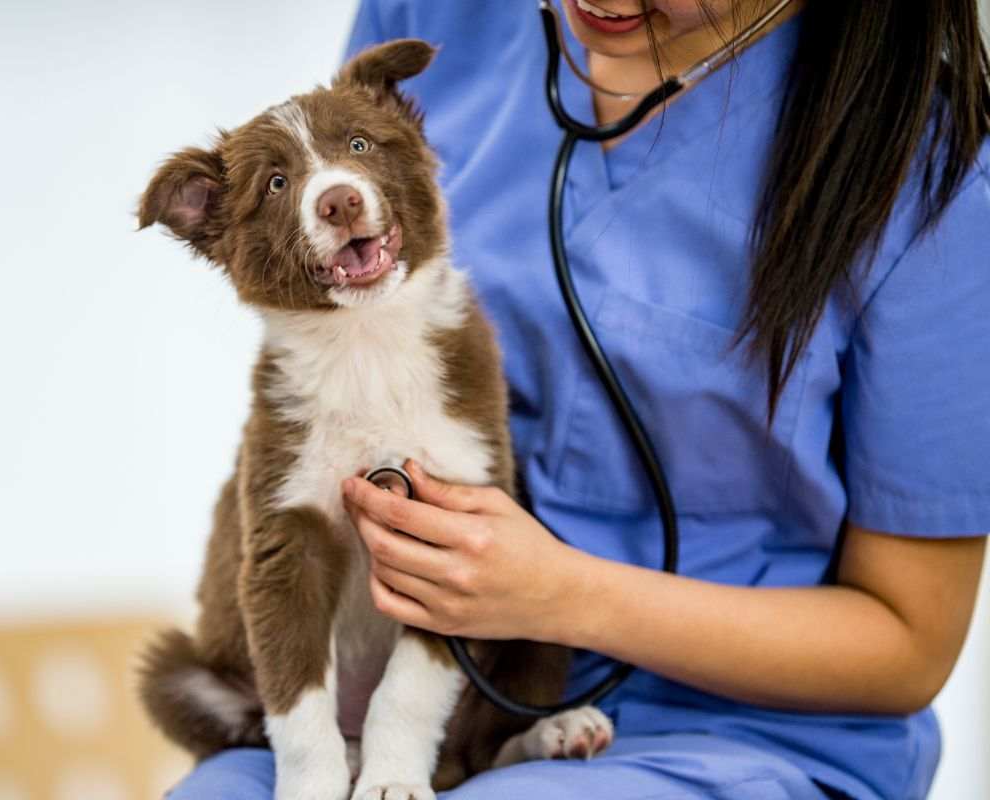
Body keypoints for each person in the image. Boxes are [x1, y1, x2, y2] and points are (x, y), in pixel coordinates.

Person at [167, 1, 990, 798]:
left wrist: (561, 596)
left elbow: (909, 644)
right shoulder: (432, 16)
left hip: (737, 730)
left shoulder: (930, 173)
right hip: (407, 687)